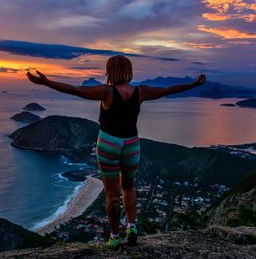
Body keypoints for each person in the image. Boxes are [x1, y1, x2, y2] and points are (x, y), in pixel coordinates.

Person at [26, 55, 206, 249]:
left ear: (110, 71)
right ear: (129, 71)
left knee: (112, 194)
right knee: (129, 186)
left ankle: (115, 236)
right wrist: (194, 84)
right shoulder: (141, 92)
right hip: (131, 143)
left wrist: (46, 82)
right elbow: (167, 90)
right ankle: (132, 227)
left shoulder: (107, 92)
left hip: (108, 143)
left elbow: (76, 90)